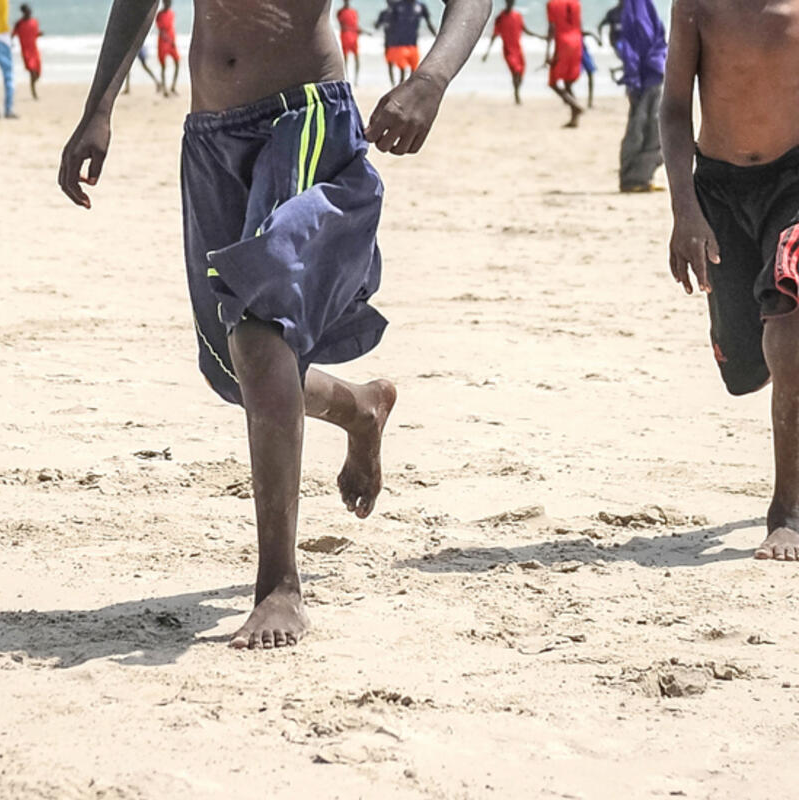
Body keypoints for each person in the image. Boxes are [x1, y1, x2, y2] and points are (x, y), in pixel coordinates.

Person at [60, 0, 489, 649]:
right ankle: (360, 409)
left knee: (259, 336)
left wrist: (430, 80)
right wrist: (99, 107)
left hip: (302, 117)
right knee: (239, 368)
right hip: (209, 135)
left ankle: (279, 585)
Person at [661, 0, 799, 562]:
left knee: (784, 326)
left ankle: (786, 512)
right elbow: (674, 108)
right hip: (718, 188)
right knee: (746, 369)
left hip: (798, 182)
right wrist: (684, 210)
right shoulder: (697, 4)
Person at [614, 0, 665, 191]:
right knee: (643, 128)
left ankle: (641, 177)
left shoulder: (639, 6)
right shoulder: (635, 8)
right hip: (647, 76)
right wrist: (633, 78)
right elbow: (633, 44)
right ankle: (633, 178)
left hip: (651, 73)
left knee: (648, 127)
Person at [482, 0, 542, 105]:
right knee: (516, 71)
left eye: (511, 2)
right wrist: (487, 52)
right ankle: (517, 94)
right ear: (506, 2)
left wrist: (540, 37)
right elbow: (494, 36)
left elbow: (525, 30)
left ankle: (516, 91)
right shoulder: (500, 18)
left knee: (521, 73)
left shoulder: (517, 16)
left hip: (518, 49)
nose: (510, 4)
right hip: (508, 50)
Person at [545, 0, 584, 127]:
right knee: (568, 82)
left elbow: (552, 28)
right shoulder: (576, 3)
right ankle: (574, 119)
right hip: (577, 41)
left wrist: (548, 52)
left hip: (563, 42)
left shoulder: (552, 4)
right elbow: (580, 25)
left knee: (553, 82)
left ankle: (575, 105)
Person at [383, 0, 437, 85]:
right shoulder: (397, 6)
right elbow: (389, 26)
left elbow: (429, 23)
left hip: (413, 45)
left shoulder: (421, 7)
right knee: (402, 70)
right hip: (399, 45)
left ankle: (407, 89)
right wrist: (388, 44)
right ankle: (396, 87)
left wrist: (437, 36)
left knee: (414, 72)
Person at [11, 4, 42, 101]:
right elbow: (12, 35)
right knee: (32, 72)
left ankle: (33, 88)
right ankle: (34, 93)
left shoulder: (34, 21)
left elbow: (35, 34)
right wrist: (10, 44)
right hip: (26, 52)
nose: (29, 12)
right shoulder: (19, 24)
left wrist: (39, 34)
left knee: (37, 74)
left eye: (29, 10)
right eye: (27, 10)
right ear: (23, 12)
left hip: (35, 51)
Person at [337, 0, 367, 85]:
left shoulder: (354, 12)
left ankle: (356, 80)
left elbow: (355, 24)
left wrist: (359, 30)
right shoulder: (340, 12)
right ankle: (345, 78)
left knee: (356, 58)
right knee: (345, 59)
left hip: (354, 36)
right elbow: (342, 25)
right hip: (345, 36)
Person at [157, 0, 181, 97]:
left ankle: (173, 86)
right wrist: (169, 41)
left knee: (177, 62)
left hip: (171, 42)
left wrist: (172, 41)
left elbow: (171, 27)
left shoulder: (171, 13)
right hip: (164, 42)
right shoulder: (159, 15)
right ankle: (164, 89)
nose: (169, 4)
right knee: (163, 66)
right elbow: (161, 31)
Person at [374, 0, 398, 85]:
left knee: (401, 64)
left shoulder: (398, 13)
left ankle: (400, 82)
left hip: (398, 42)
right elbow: (377, 26)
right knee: (390, 63)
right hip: (388, 42)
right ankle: (393, 83)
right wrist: (376, 24)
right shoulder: (383, 14)